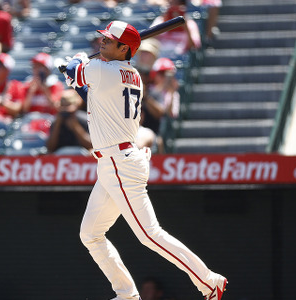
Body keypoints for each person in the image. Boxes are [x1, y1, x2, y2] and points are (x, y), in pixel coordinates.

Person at [62, 20, 227, 300]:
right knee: (90, 234)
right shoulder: (132, 75)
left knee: (150, 235)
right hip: (115, 161)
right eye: (103, 39)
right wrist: (74, 69)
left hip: (119, 163)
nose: (102, 42)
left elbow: (74, 72)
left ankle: (209, 281)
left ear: (124, 47)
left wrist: (74, 62)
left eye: (108, 40)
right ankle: (127, 294)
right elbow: (84, 87)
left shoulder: (103, 70)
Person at [46, 88, 91, 154]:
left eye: (68, 107)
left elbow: (91, 145)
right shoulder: (56, 121)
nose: (66, 111)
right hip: (60, 158)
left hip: (82, 158)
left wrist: (76, 127)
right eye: (63, 107)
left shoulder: (84, 119)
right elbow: (50, 148)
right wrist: (57, 125)